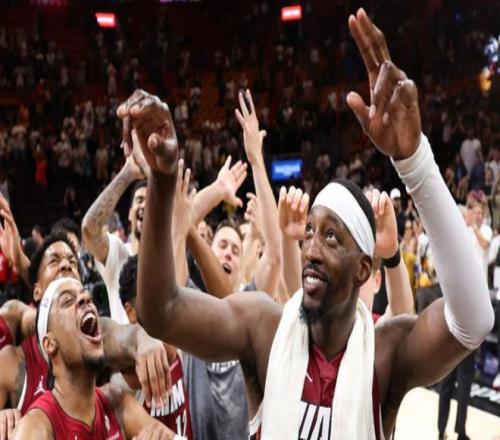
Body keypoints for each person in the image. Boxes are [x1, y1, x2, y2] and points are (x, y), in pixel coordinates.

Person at [119, 9, 494, 439]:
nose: (311, 249)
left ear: (363, 269)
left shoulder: (385, 353)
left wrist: (415, 163)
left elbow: (473, 321)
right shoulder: (262, 326)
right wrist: (163, 179)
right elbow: (160, 313)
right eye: (310, 232)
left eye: (331, 237)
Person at [0, 233, 172, 439]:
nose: (66, 265)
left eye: (73, 261)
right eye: (54, 261)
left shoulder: (116, 401)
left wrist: (145, 340)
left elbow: (127, 337)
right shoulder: (33, 417)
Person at [119, 256, 193, 439]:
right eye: (152, 298)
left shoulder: (178, 336)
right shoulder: (127, 367)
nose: (162, 304)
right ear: (131, 312)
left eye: (164, 293)